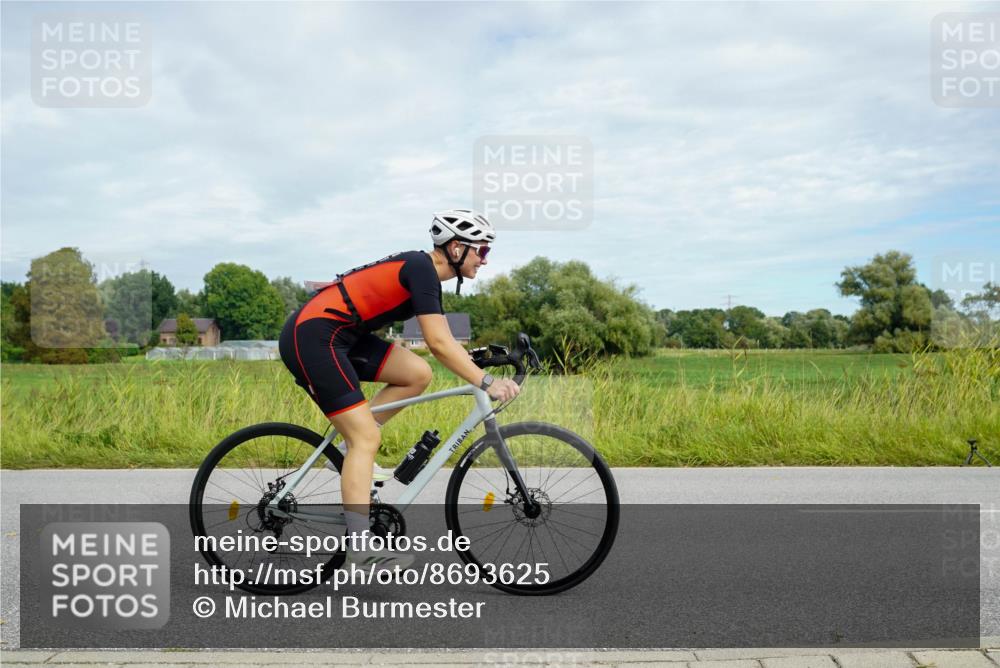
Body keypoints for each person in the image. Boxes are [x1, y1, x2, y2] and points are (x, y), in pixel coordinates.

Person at [278, 209, 520, 570]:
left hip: (343, 337)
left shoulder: (424, 274)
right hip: (313, 337)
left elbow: (441, 344)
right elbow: (438, 341)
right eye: (481, 251)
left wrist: (476, 360)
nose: (484, 261)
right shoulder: (422, 270)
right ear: (456, 248)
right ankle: (360, 549)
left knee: (417, 373)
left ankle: (349, 453)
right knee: (366, 440)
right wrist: (485, 382)